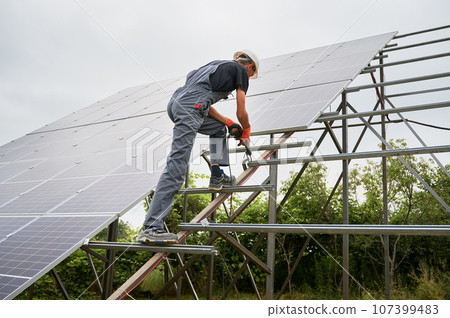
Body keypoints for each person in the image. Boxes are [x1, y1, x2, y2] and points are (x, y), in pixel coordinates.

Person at [137, 50, 259, 244]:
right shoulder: (241, 71)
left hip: (179, 104)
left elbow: (201, 97)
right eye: (252, 74)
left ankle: (217, 174)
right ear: (250, 66)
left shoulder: (210, 67)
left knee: (218, 129)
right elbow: (241, 109)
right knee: (176, 166)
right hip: (190, 107)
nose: (249, 77)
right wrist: (246, 130)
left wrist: (227, 122)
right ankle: (151, 227)